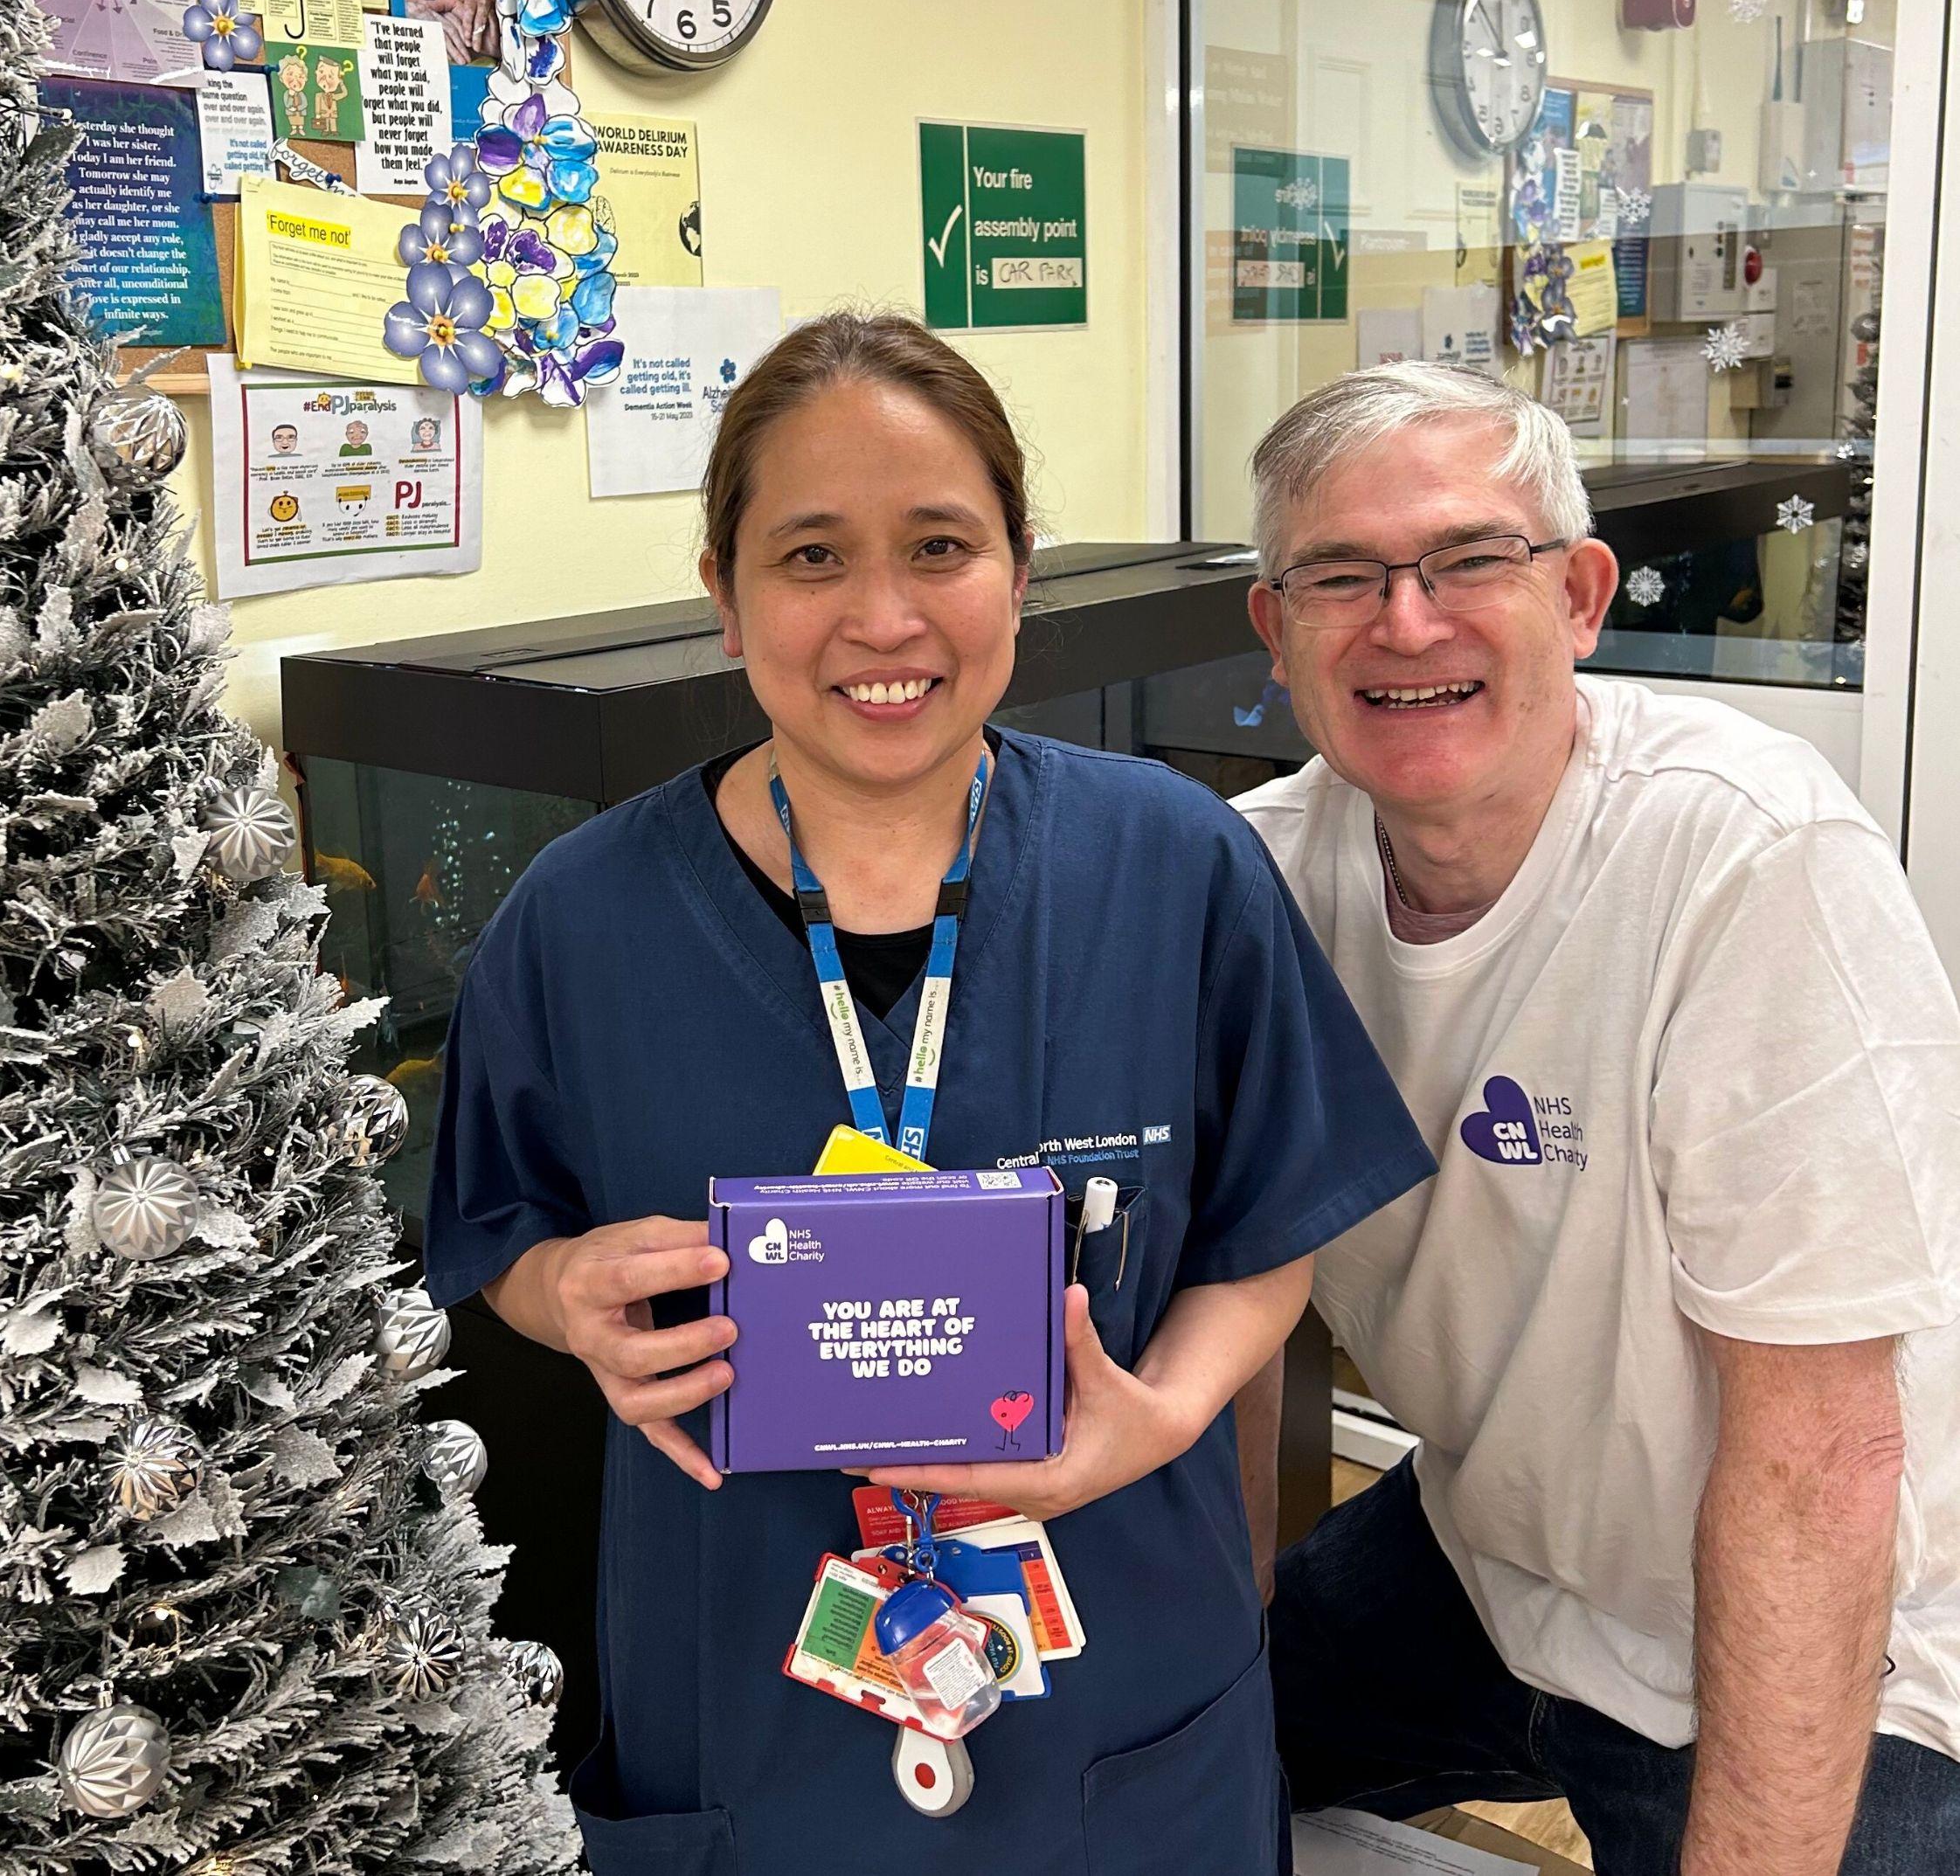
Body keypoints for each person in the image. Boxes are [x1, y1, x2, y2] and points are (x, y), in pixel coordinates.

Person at [424, 312, 1433, 1875]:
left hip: (1118, 1669)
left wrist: (1155, 1417)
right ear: (724, 593)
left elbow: (1267, 1223)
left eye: (941, 545)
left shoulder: (1175, 866)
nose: (882, 617)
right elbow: (497, 1232)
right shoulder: (581, 918)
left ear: (1020, 571)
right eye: (810, 557)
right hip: (739, 1679)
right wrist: (573, 1293)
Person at [1229, 364, 1960, 1874]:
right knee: (1172, 1756)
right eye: (1342, 576)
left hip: (1847, 1614)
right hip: (1489, 1546)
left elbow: (1820, 1454)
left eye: (1471, 559)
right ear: (1276, 630)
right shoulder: (1258, 884)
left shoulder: (1746, 856)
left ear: (1580, 594)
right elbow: (1239, 1292)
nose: (1408, 621)